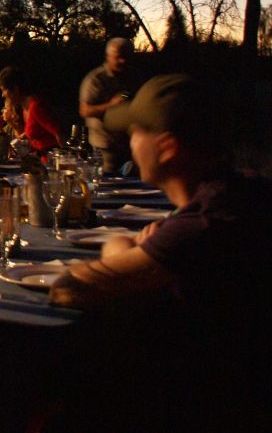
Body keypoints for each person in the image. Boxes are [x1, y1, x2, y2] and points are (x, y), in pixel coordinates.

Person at [48, 74, 270, 430]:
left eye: (135, 132)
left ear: (166, 147)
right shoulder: (240, 193)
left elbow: (67, 289)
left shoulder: (205, 224)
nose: (128, 142)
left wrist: (123, 246)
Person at [78, 37, 136, 172]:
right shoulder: (96, 79)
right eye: (118, 57)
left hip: (129, 146)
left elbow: (128, 98)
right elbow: (84, 110)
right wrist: (111, 105)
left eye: (126, 57)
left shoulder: (132, 76)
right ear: (108, 56)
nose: (123, 61)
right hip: (105, 148)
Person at [0, 65, 63, 157]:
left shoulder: (36, 106)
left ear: (15, 89)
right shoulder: (25, 108)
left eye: (4, 90)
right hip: (40, 161)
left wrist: (66, 159)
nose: (2, 95)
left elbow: (59, 133)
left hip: (49, 161)